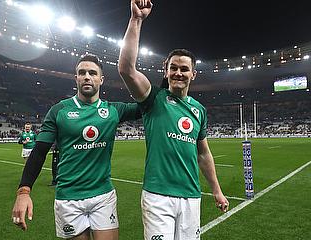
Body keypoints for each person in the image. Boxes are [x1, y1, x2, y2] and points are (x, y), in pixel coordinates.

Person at [118, 1, 229, 239]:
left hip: (191, 195)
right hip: (158, 196)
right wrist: (136, 20)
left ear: (193, 74)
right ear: (165, 70)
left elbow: (204, 154)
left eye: (184, 69)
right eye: (174, 68)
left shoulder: (199, 110)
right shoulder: (153, 98)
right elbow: (126, 69)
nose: (179, 72)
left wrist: (217, 191)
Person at [11, 54, 141, 240]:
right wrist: (24, 191)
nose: (87, 76)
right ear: (76, 78)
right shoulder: (59, 110)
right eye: (82, 72)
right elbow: (39, 153)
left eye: (92, 73)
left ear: (101, 79)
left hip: (103, 195)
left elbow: (149, 103)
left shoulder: (113, 110)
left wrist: (168, 78)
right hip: (69, 198)